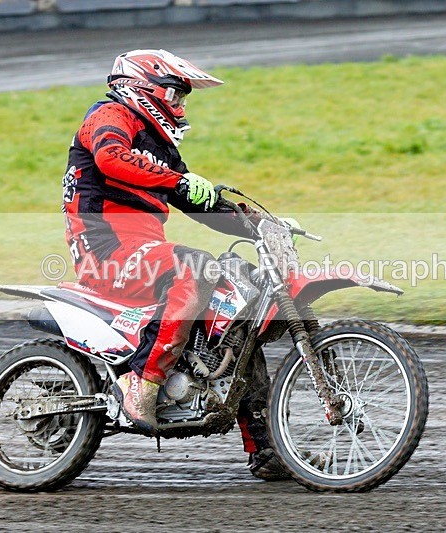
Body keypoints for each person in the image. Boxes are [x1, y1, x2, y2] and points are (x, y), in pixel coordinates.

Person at [61, 49, 289, 480]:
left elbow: (195, 201)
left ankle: (266, 445)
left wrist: (260, 224)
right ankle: (141, 384)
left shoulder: (160, 146)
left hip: (144, 254)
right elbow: (112, 158)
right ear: (143, 87)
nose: (181, 107)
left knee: (240, 308)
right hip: (106, 252)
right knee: (198, 268)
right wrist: (179, 180)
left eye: (185, 99)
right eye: (175, 94)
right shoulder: (109, 116)